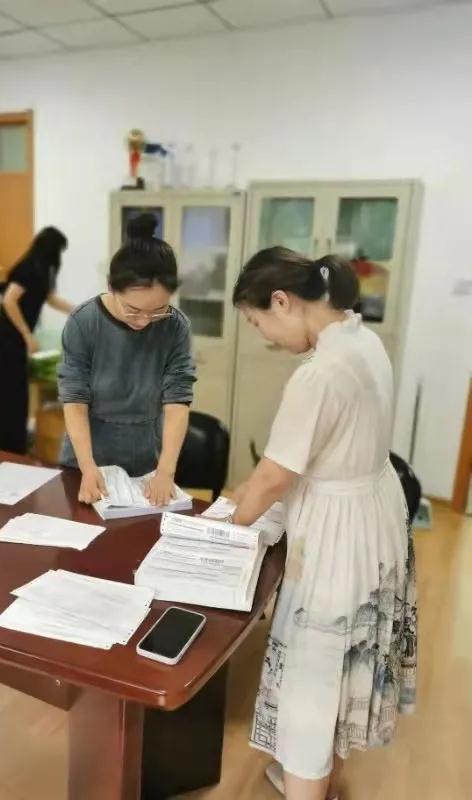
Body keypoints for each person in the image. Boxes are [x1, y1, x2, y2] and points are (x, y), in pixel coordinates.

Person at [231, 247, 417, 800]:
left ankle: (306, 790)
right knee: (338, 665)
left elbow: (272, 478)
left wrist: (225, 528)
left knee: (311, 679)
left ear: (281, 302)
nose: (265, 337)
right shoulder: (364, 341)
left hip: (338, 537)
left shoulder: (318, 376)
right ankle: (317, 782)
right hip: (374, 516)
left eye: (258, 322)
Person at [58, 213, 195, 506]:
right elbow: (75, 401)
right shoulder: (84, 323)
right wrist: (88, 467)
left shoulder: (175, 327)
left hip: (145, 464)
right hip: (85, 462)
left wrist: (166, 471)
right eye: (133, 309)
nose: (144, 321)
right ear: (111, 286)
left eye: (157, 310)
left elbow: (177, 402)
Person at [0, 227, 72, 453]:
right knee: (6, 399)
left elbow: (50, 299)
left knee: (18, 399)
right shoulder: (27, 268)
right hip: (3, 341)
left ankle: (16, 449)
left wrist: (78, 310)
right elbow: (9, 301)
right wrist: (27, 334)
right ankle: (6, 450)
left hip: (15, 343)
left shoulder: (42, 270)